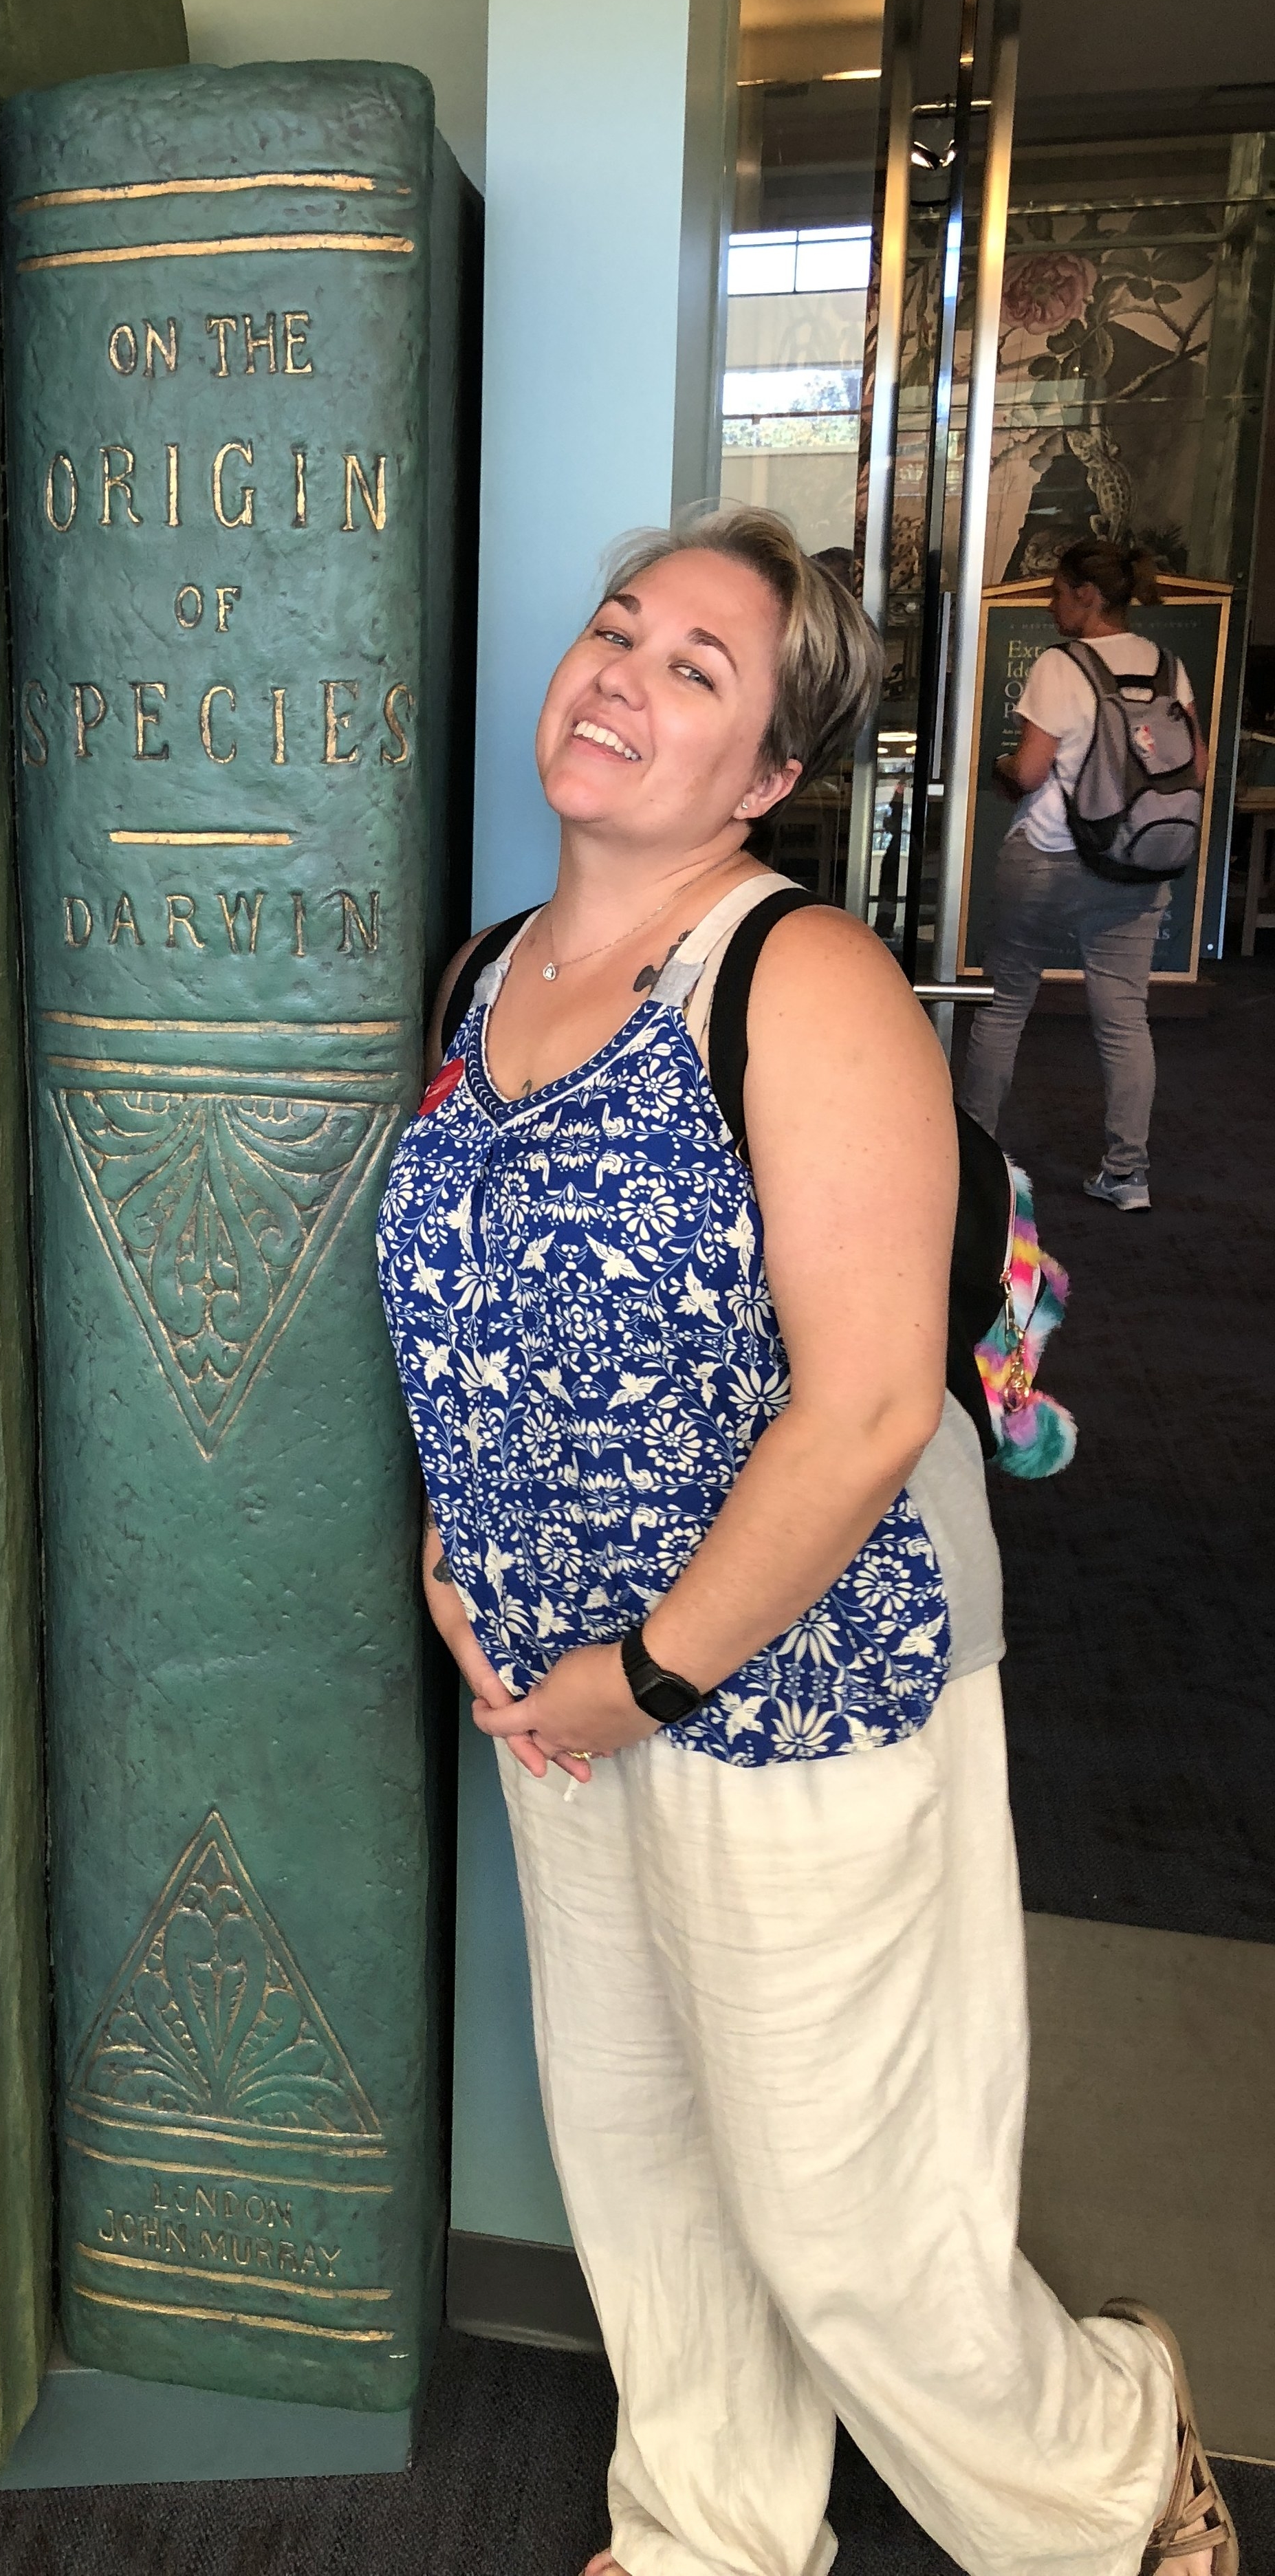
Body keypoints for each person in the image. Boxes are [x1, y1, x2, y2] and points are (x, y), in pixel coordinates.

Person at [375, 503, 1231, 2576]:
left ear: (766, 770)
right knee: (646, 2156)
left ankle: (1108, 2472)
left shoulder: (798, 971)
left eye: (697, 667)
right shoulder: (491, 966)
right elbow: (474, 1292)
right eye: (616, 629)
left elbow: (857, 1409)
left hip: (787, 1678)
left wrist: (648, 1667)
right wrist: (450, 1552)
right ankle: (706, 2528)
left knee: (844, 2205)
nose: (621, 675)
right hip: (558, 1678)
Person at [958, 539, 1206, 1212]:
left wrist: (1004, 770)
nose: (1049, 603)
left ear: (1087, 595)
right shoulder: (1169, 668)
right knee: (1125, 1017)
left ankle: (975, 1162)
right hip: (1135, 863)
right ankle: (1127, 1173)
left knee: (1005, 1004)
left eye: (1057, 591)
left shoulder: (1060, 666)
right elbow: (1197, 767)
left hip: (1048, 856)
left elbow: (1033, 771)